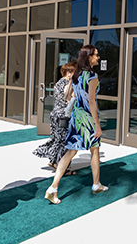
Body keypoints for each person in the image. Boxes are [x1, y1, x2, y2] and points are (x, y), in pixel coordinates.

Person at [44, 45, 109, 204]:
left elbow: (67, 96)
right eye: (96, 55)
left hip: (76, 117)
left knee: (71, 152)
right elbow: (91, 101)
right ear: (89, 57)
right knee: (94, 150)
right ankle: (96, 185)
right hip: (88, 118)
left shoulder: (76, 75)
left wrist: (78, 99)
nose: (98, 58)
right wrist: (97, 125)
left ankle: (53, 188)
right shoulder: (92, 76)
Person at [32, 61, 77, 175]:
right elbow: (69, 101)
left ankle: (53, 161)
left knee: (57, 139)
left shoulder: (58, 83)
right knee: (64, 141)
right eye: (71, 71)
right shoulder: (68, 84)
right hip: (63, 115)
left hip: (55, 114)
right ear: (66, 72)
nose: (73, 73)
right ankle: (61, 167)